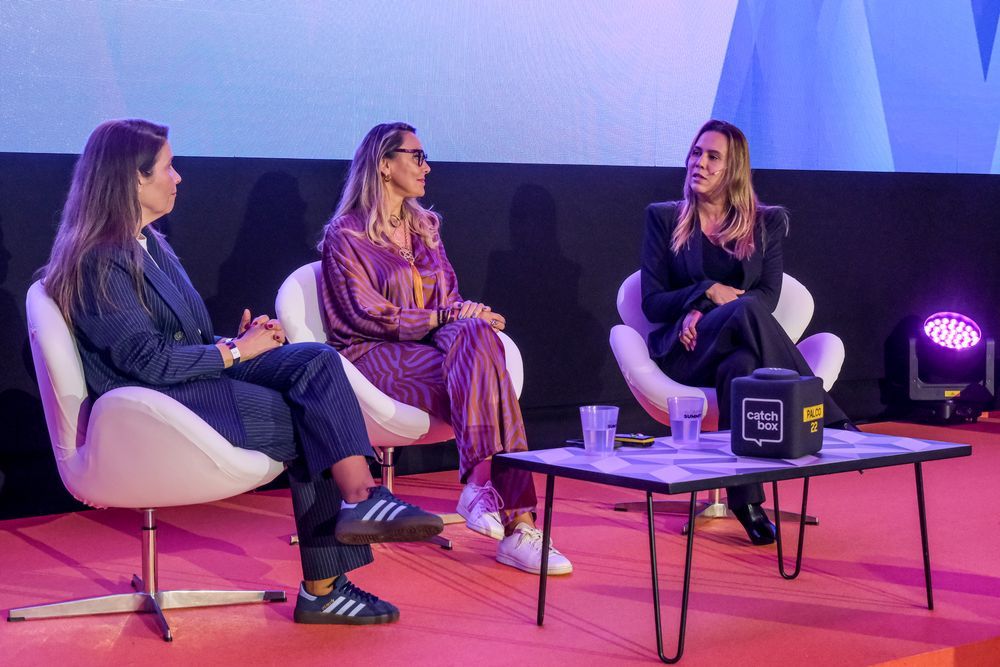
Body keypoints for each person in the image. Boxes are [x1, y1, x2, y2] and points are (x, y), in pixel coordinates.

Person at [40, 119, 444, 625]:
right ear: (133, 179)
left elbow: (179, 338)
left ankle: (361, 501)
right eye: (168, 167)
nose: (179, 177)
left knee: (316, 362)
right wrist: (235, 355)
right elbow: (145, 361)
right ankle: (331, 573)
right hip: (152, 406)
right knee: (309, 416)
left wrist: (235, 343)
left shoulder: (151, 245)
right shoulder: (100, 259)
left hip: (190, 381)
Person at [319, 122, 572, 575]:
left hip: (431, 350)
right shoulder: (346, 235)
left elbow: (448, 300)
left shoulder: (424, 228)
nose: (427, 166)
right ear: (383, 163)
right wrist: (451, 318)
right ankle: (514, 520)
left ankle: (493, 501)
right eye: (416, 156)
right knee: (485, 370)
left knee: (480, 338)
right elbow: (365, 314)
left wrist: (469, 315)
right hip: (370, 357)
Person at [640, 119, 850, 545]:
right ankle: (828, 416)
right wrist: (706, 293)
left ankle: (746, 500)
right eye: (697, 153)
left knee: (743, 367)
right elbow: (651, 301)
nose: (699, 163)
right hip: (686, 351)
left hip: (735, 343)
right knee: (745, 308)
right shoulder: (664, 218)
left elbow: (769, 297)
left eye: (712, 157)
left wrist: (708, 307)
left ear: (734, 169)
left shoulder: (765, 223)